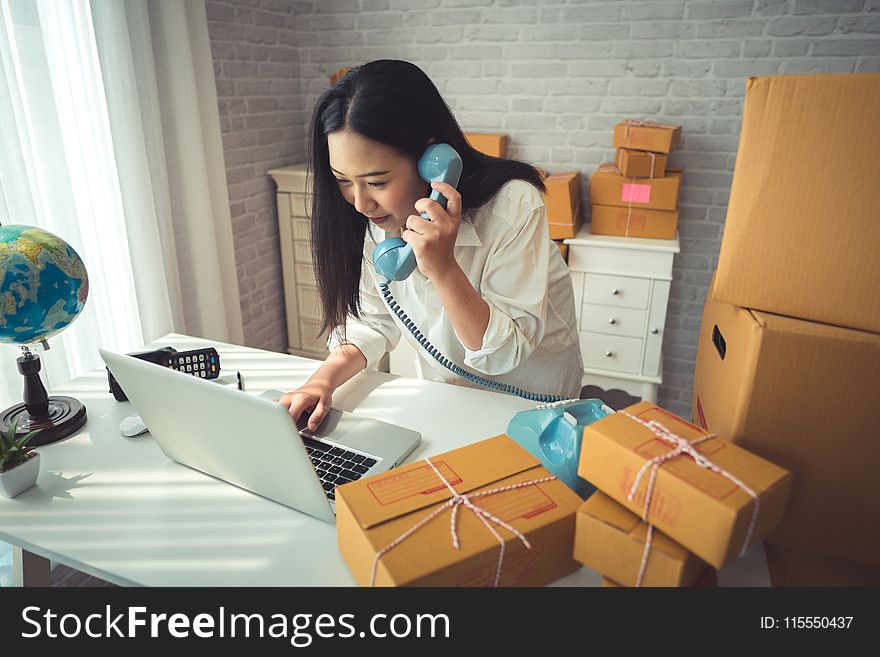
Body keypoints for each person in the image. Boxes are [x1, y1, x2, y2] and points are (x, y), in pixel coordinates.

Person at [279, 60, 583, 431]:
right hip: (449, 399)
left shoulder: (513, 205)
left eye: (376, 181)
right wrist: (322, 380)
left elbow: (506, 352)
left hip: (534, 403)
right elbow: (372, 321)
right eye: (343, 180)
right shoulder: (376, 218)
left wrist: (442, 267)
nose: (360, 203)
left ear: (430, 160)